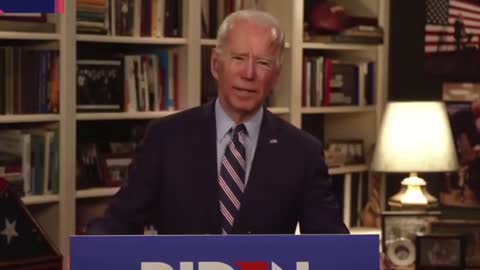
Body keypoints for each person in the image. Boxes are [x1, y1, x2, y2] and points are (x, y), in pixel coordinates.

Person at [87, 10, 348, 235]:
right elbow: (119, 222)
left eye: (263, 63)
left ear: (276, 75)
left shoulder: (302, 152)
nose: (248, 74)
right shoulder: (166, 138)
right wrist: (86, 252)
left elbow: (331, 240)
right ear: (215, 64)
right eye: (238, 59)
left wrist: (364, 260)